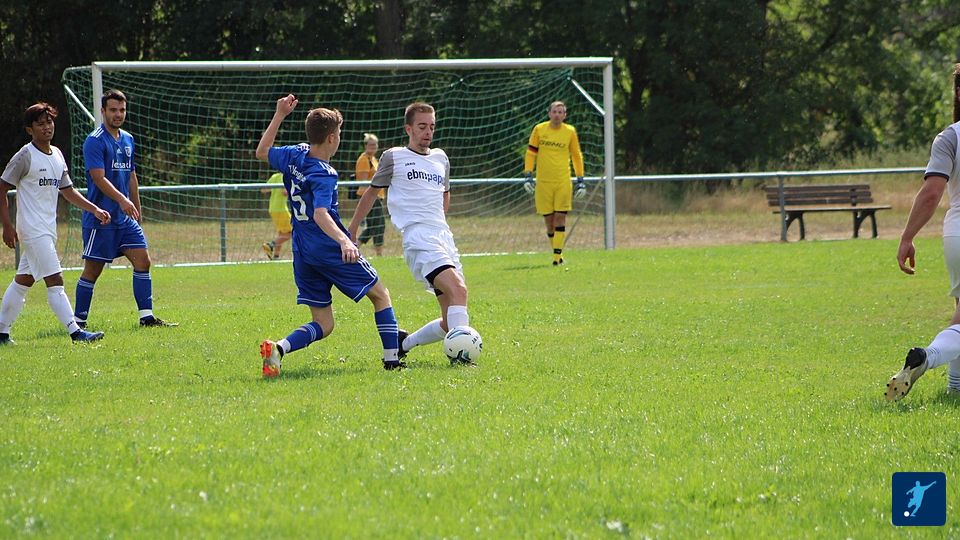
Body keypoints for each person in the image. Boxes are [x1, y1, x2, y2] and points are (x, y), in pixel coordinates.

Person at [255, 94, 404, 375]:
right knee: (380, 294)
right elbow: (320, 214)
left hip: (302, 250)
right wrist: (345, 241)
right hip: (327, 247)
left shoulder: (295, 154)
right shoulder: (324, 173)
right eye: (339, 133)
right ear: (332, 138)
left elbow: (262, 152)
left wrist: (279, 115)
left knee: (324, 323)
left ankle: (278, 349)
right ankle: (392, 361)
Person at [348, 102, 474, 365]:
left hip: (443, 237)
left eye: (432, 127)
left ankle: (403, 343)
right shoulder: (394, 156)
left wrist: (439, 222)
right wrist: (352, 229)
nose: (428, 132)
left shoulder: (441, 158)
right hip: (419, 238)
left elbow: (445, 195)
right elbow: (371, 193)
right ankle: (462, 359)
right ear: (409, 129)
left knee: (449, 320)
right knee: (459, 290)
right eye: (422, 126)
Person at [0, 103, 110, 344]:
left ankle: (1, 332)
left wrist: (94, 209)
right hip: (32, 230)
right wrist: (6, 226)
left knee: (24, 280)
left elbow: (68, 191)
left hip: (47, 229)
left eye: (49, 122)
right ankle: (76, 332)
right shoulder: (25, 156)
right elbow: (2, 188)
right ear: (30, 130)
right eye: (40, 124)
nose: (46, 127)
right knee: (55, 279)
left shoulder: (57, 154)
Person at [886, 64, 960, 401]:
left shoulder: (950, 136)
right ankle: (927, 357)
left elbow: (932, 193)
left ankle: (955, 388)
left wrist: (907, 236)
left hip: (955, 234)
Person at [73, 89, 177, 329]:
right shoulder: (94, 140)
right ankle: (79, 322)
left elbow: (131, 176)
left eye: (121, 110)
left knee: (143, 261)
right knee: (93, 270)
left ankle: (147, 318)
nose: (118, 114)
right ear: (103, 111)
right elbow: (98, 178)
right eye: (113, 110)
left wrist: (136, 209)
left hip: (125, 218)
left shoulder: (128, 139)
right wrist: (122, 200)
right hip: (101, 218)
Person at [522, 100, 586, 266]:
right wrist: (528, 175)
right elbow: (531, 153)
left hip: (562, 181)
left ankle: (557, 259)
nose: (557, 115)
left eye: (560, 112)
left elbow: (576, 155)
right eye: (554, 112)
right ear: (549, 113)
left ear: (565, 115)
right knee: (549, 223)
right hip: (543, 182)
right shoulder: (539, 129)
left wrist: (580, 179)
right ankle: (558, 253)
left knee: (560, 218)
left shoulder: (570, 131)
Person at [354, 133, 386, 256]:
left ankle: (354, 247)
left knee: (372, 226)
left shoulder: (373, 159)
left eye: (375, 144)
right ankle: (379, 254)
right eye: (370, 144)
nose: (373, 147)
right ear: (365, 145)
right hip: (369, 196)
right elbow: (363, 182)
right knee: (380, 224)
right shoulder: (364, 159)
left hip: (377, 196)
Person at [261, 171, 291, 260]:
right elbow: (284, 192)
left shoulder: (275, 176)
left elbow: (263, 189)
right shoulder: (287, 176)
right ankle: (270, 245)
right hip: (281, 209)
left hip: (272, 208)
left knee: (282, 233)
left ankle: (276, 256)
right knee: (293, 232)